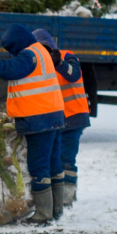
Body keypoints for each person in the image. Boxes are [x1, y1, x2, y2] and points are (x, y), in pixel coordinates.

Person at [0, 24, 65, 223]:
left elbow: (6, 70)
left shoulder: (29, 55)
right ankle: (56, 210)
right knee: (53, 164)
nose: (12, 53)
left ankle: (43, 215)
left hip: (39, 120)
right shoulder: (40, 52)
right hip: (53, 117)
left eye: (11, 48)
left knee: (39, 167)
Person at [32, 29, 90, 207]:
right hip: (56, 120)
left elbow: (74, 74)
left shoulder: (67, 56)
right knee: (56, 160)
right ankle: (60, 198)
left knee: (66, 160)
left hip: (73, 116)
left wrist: (59, 63)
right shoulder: (38, 64)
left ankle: (68, 197)